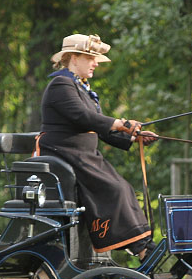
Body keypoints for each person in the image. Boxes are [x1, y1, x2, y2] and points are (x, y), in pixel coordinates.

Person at [35, 33, 158, 259]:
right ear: (73, 57)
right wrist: (121, 123)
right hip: (65, 156)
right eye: (90, 58)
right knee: (116, 189)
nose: (95, 64)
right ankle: (141, 249)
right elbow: (84, 118)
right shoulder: (60, 85)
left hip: (85, 157)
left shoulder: (82, 89)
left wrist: (133, 137)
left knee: (124, 187)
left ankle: (142, 243)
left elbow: (100, 128)